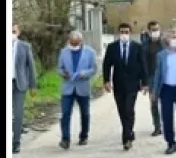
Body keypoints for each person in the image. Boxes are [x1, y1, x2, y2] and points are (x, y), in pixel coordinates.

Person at [102, 22, 148, 151]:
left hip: (133, 85)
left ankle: (126, 138)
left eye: (126, 32)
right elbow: (106, 65)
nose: (124, 34)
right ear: (119, 33)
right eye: (122, 32)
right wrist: (106, 81)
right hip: (118, 84)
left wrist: (145, 83)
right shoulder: (112, 48)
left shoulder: (137, 47)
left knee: (129, 109)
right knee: (122, 111)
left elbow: (143, 65)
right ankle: (129, 131)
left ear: (130, 33)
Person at [57, 30, 97, 150]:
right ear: (69, 41)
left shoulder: (90, 52)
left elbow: (94, 69)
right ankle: (65, 139)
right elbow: (59, 68)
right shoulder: (63, 52)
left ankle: (84, 136)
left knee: (85, 113)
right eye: (72, 43)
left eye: (76, 43)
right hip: (67, 87)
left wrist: (83, 73)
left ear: (81, 41)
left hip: (82, 86)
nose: (73, 46)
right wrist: (63, 73)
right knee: (65, 113)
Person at [11, 23, 38, 154]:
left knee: (18, 114)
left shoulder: (25, 47)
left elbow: (31, 66)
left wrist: (33, 85)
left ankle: (16, 142)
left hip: (19, 84)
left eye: (13, 31)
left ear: (18, 32)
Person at [143, 21, 166, 136]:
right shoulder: (145, 45)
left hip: (166, 76)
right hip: (152, 77)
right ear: (149, 31)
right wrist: (144, 82)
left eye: (157, 29)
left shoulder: (165, 43)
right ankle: (157, 127)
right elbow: (143, 64)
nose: (155, 31)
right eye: (153, 29)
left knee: (166, 102)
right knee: (154, 103)